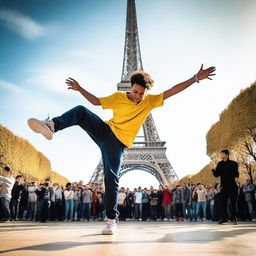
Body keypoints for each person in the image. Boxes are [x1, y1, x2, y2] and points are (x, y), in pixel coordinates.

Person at [27, 65, 215, 234]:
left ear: (145, 92)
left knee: (111, 177)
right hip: (105, 131)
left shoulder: (148, 102)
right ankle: (52, 126)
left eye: (141, 93)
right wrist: (80, 89)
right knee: (81, 111)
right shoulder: (118, 97)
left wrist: (195, 78)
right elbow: (95, 102)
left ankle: (111, 220)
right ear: (130, 87)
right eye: (135, 92)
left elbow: (171, 91)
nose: (137, 96)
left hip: (117, 144)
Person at [209, 149, 239, 224]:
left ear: (226, 155)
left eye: (222, 154)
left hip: (233, 186)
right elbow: (216, 175)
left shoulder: (234, 163)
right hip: (224, 187)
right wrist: (212, 168)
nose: (221, 155)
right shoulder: (220, 164)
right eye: (221, 154)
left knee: (233, 203)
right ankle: (224, 218)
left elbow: (237, 173)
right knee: (223, 203)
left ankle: (234, 218)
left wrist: (237, 177)